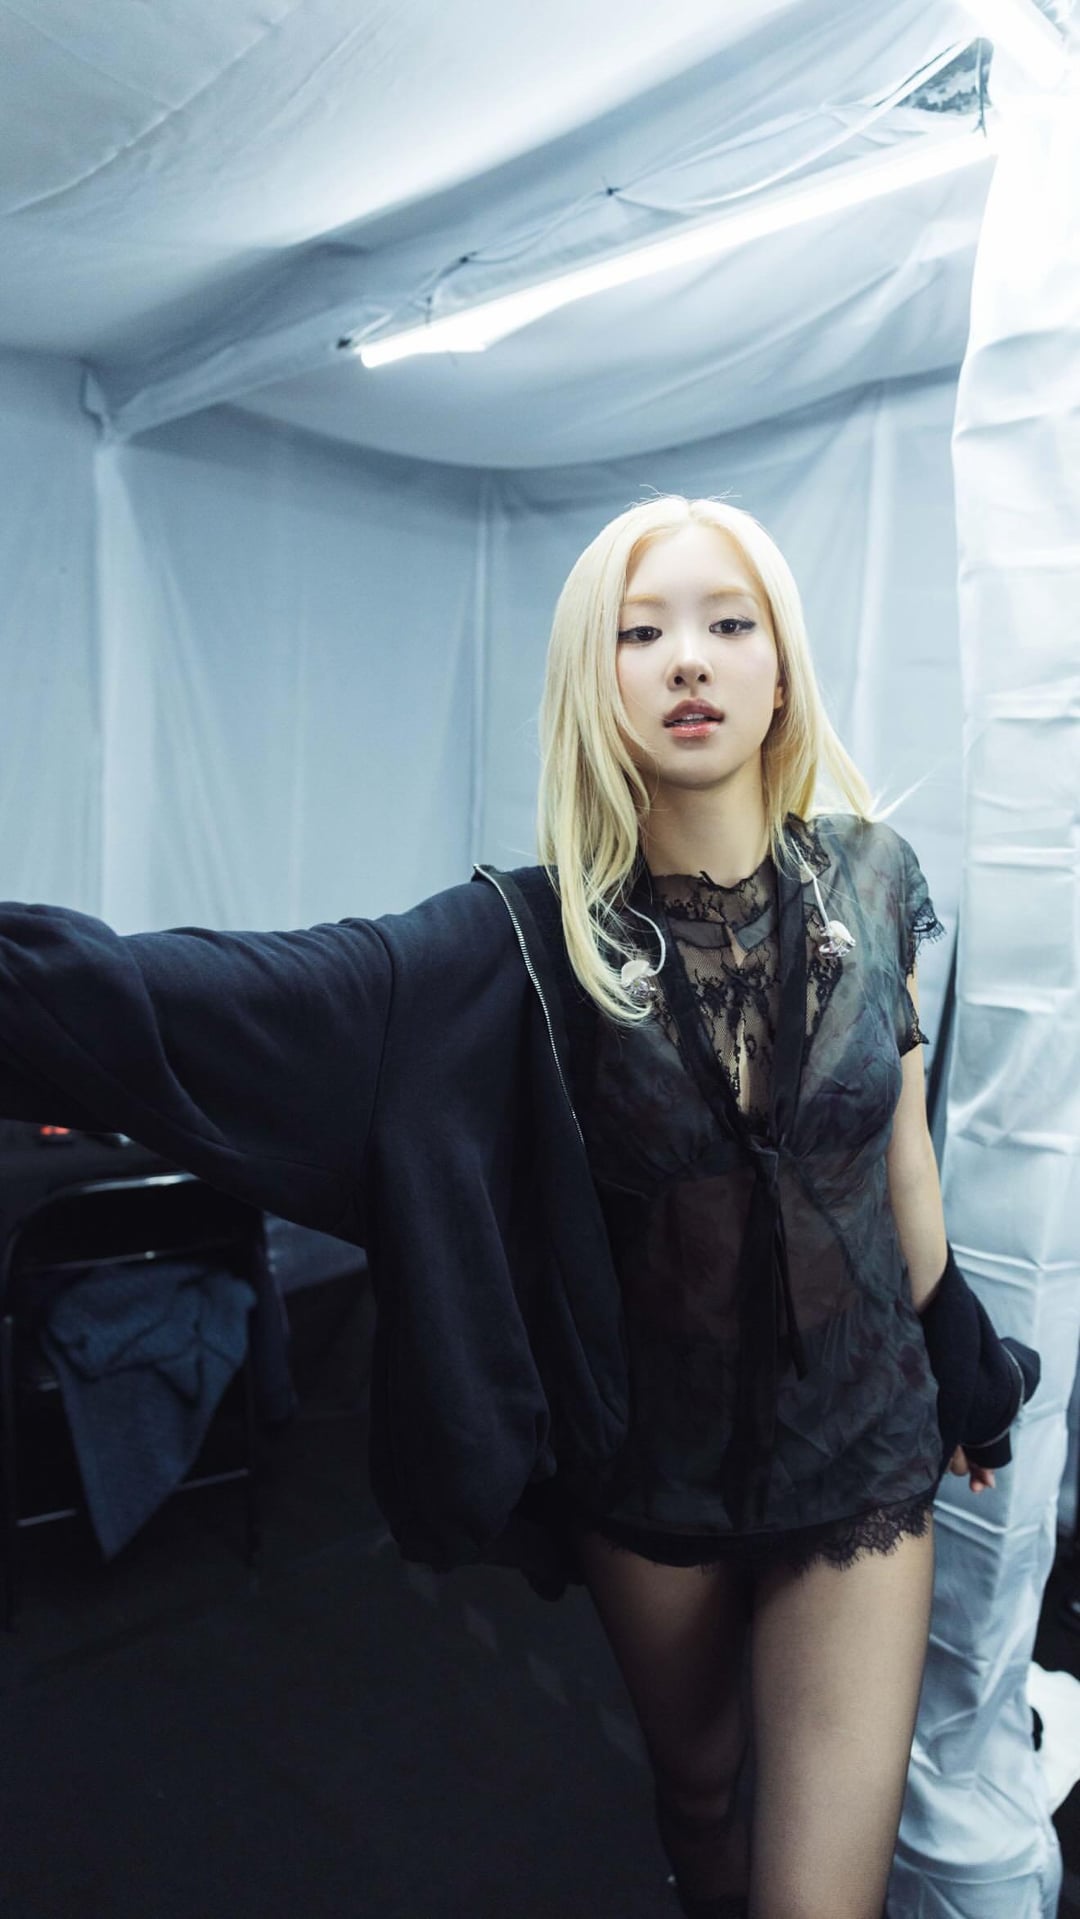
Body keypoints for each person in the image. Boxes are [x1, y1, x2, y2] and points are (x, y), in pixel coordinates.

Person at [0, 494, 1038, 1919]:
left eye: (728, 623)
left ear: (782, 667)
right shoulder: (520, 943)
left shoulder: (876, 875)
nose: (689, 658)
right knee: (699, 1794)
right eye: (641, 631)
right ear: (590, 685)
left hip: (864, 1444)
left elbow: (900, 1149)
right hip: (652, 1467)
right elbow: (230, 999)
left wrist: (960, 1350)